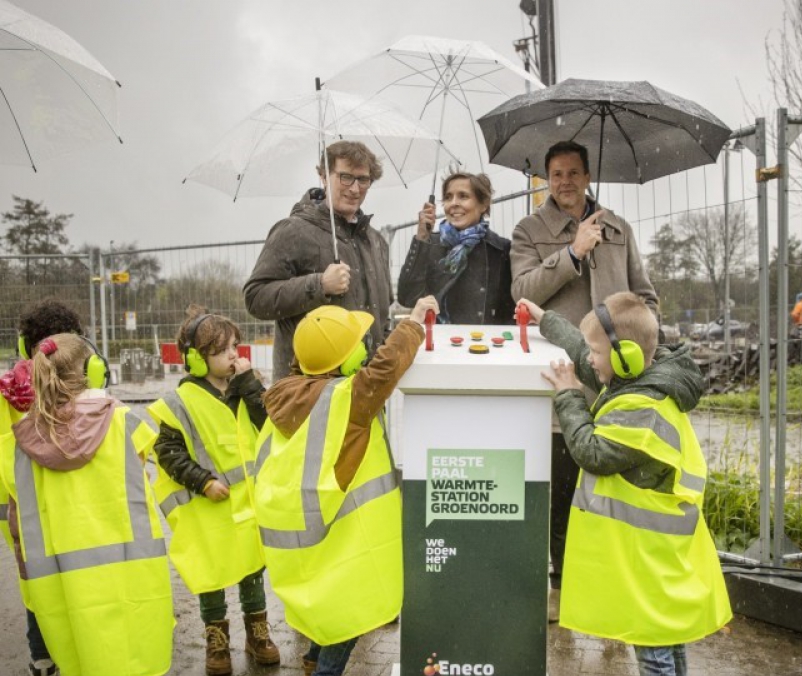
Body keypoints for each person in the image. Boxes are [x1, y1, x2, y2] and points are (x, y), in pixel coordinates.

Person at [521, 292, 731, 676]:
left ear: (625, 356)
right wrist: (546, 319)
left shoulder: (642, 407)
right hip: (659, 543)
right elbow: (583, 347)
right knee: (668, 634)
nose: (589, 361)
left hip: (650, 548)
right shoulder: (641, 378)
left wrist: (569, 396)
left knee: (653, 639)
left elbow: (592, 453)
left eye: (597, 354)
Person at [254, 295, 438, 676]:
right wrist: (412, 324)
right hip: (339, 532)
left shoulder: (285, 393)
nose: (366, 348)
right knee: (346, 611)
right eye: (359, 343)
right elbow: (385, 368)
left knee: (326, 609)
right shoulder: (346, 399)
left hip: (304, 531)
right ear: (344, 359)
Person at [510, 140, 660, 622]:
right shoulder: (530, 229)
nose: (565, 182)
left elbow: (646, 295)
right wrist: (572, 253)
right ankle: (562, 585)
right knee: (564, 488)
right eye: (556, 174)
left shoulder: (617, 227)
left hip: (620, 381)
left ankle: (613, 584)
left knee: (614, 488)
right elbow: (522, 290)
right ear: (545, 179)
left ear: (588, 175)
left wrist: (642, 339)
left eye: (574, 172)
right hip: (564, 372)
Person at [0, 333, 174, 676]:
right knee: (106, 624)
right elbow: (143, 456)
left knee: (68, 623)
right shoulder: (120, 419)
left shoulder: (24, 435)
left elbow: (13, 489)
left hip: (54, 559)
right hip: (113, 549)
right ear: (93, 371)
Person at [148, 306, 279, 676]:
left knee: (252, 570)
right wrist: (202, 480)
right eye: (223, 350)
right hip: (209, 510)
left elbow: (268, 422)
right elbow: (168, 453)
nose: (234, 355)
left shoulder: (244, 389)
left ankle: (257, 632)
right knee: (212, 575)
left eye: (236, 347)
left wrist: (251, 384)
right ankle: (216, 639)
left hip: (246, 506)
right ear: (194, 358)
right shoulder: (177, 404)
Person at [244, 141, 394, 380]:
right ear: (324, 176)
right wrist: (319, 285)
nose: (355, 189)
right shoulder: (292, 231)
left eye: (363, 180)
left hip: (364, 390)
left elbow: (383, 316)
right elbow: (255, 298)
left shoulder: (376, 242)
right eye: (345, 177)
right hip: (307, 391)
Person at [0, 299, 86, 676]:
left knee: (36, 584)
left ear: (24, 346)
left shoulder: (6, 393)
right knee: (72, 581)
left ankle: (42, 660)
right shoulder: (81, 390)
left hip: (19, 511)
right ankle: (81, 657)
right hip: (70, 508)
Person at [397, 170, 514, 324]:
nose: (453, 203)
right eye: (448, 197)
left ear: (484, 204)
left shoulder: (500, 249)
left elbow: (507, 314)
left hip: (481, 344)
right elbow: (407, 298)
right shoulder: (430, 244)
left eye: (463, 196)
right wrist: (421, 238)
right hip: (438, 342)